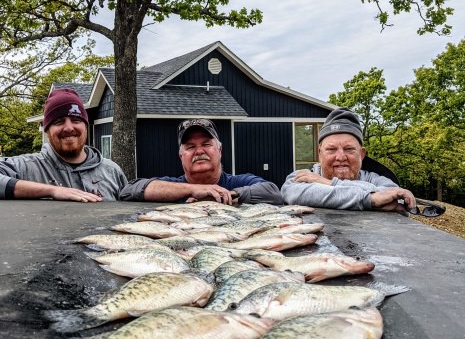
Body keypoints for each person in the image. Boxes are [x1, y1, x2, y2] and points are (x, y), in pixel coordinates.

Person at [0, 88, 127, 202]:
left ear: (86, 126)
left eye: (76, 120)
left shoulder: (112, 172)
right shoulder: (26, 167)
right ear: (47, 130)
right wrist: (52, 191)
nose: (68, 128)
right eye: (59, 122)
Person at [281, 107, 416, 212]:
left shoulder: (377, 179)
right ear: (319, 154)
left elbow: (395, 197)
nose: (340, 157)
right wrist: (370, 199)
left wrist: (326, 183)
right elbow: (292, 192)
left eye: (349, 149)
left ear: (362, 154)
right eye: (331, 149)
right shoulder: (302, 177)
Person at [120, 118, 282, 205]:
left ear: (220, 151)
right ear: (181, 156)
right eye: (190, 147)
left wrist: (224, 195)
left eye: (206, 144)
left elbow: (273, 192)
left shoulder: (239, 181)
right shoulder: (172, 186)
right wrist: (194, 190)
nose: (199, 151)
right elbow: (129, 190)